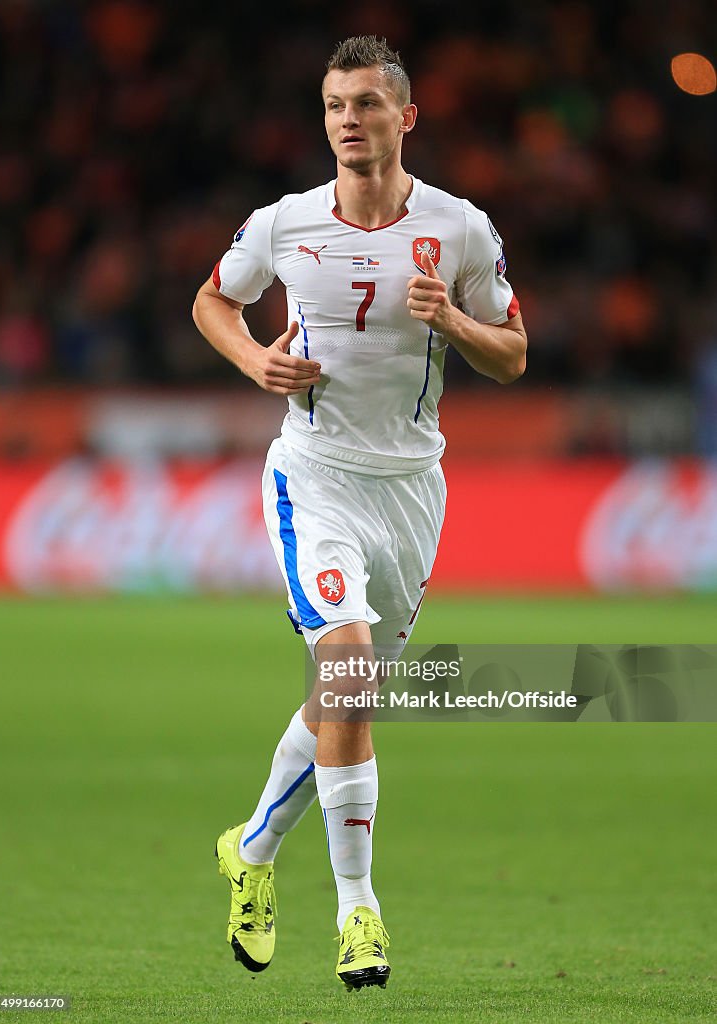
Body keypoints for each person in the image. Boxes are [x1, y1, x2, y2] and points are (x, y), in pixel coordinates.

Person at [192, 34, 527, 991]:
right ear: (324, 118)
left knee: (346, 701)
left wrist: (453, 323)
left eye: (369, 105)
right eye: (337, 105)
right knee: (344, 669)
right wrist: (257, 360)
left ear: (405, 118)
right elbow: (212, 303)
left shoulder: (460, 229)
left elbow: (512, 353)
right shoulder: (284, 223)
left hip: (412, 489)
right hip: (312, 475)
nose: (350, 120)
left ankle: (251, 850)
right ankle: (358, 913)